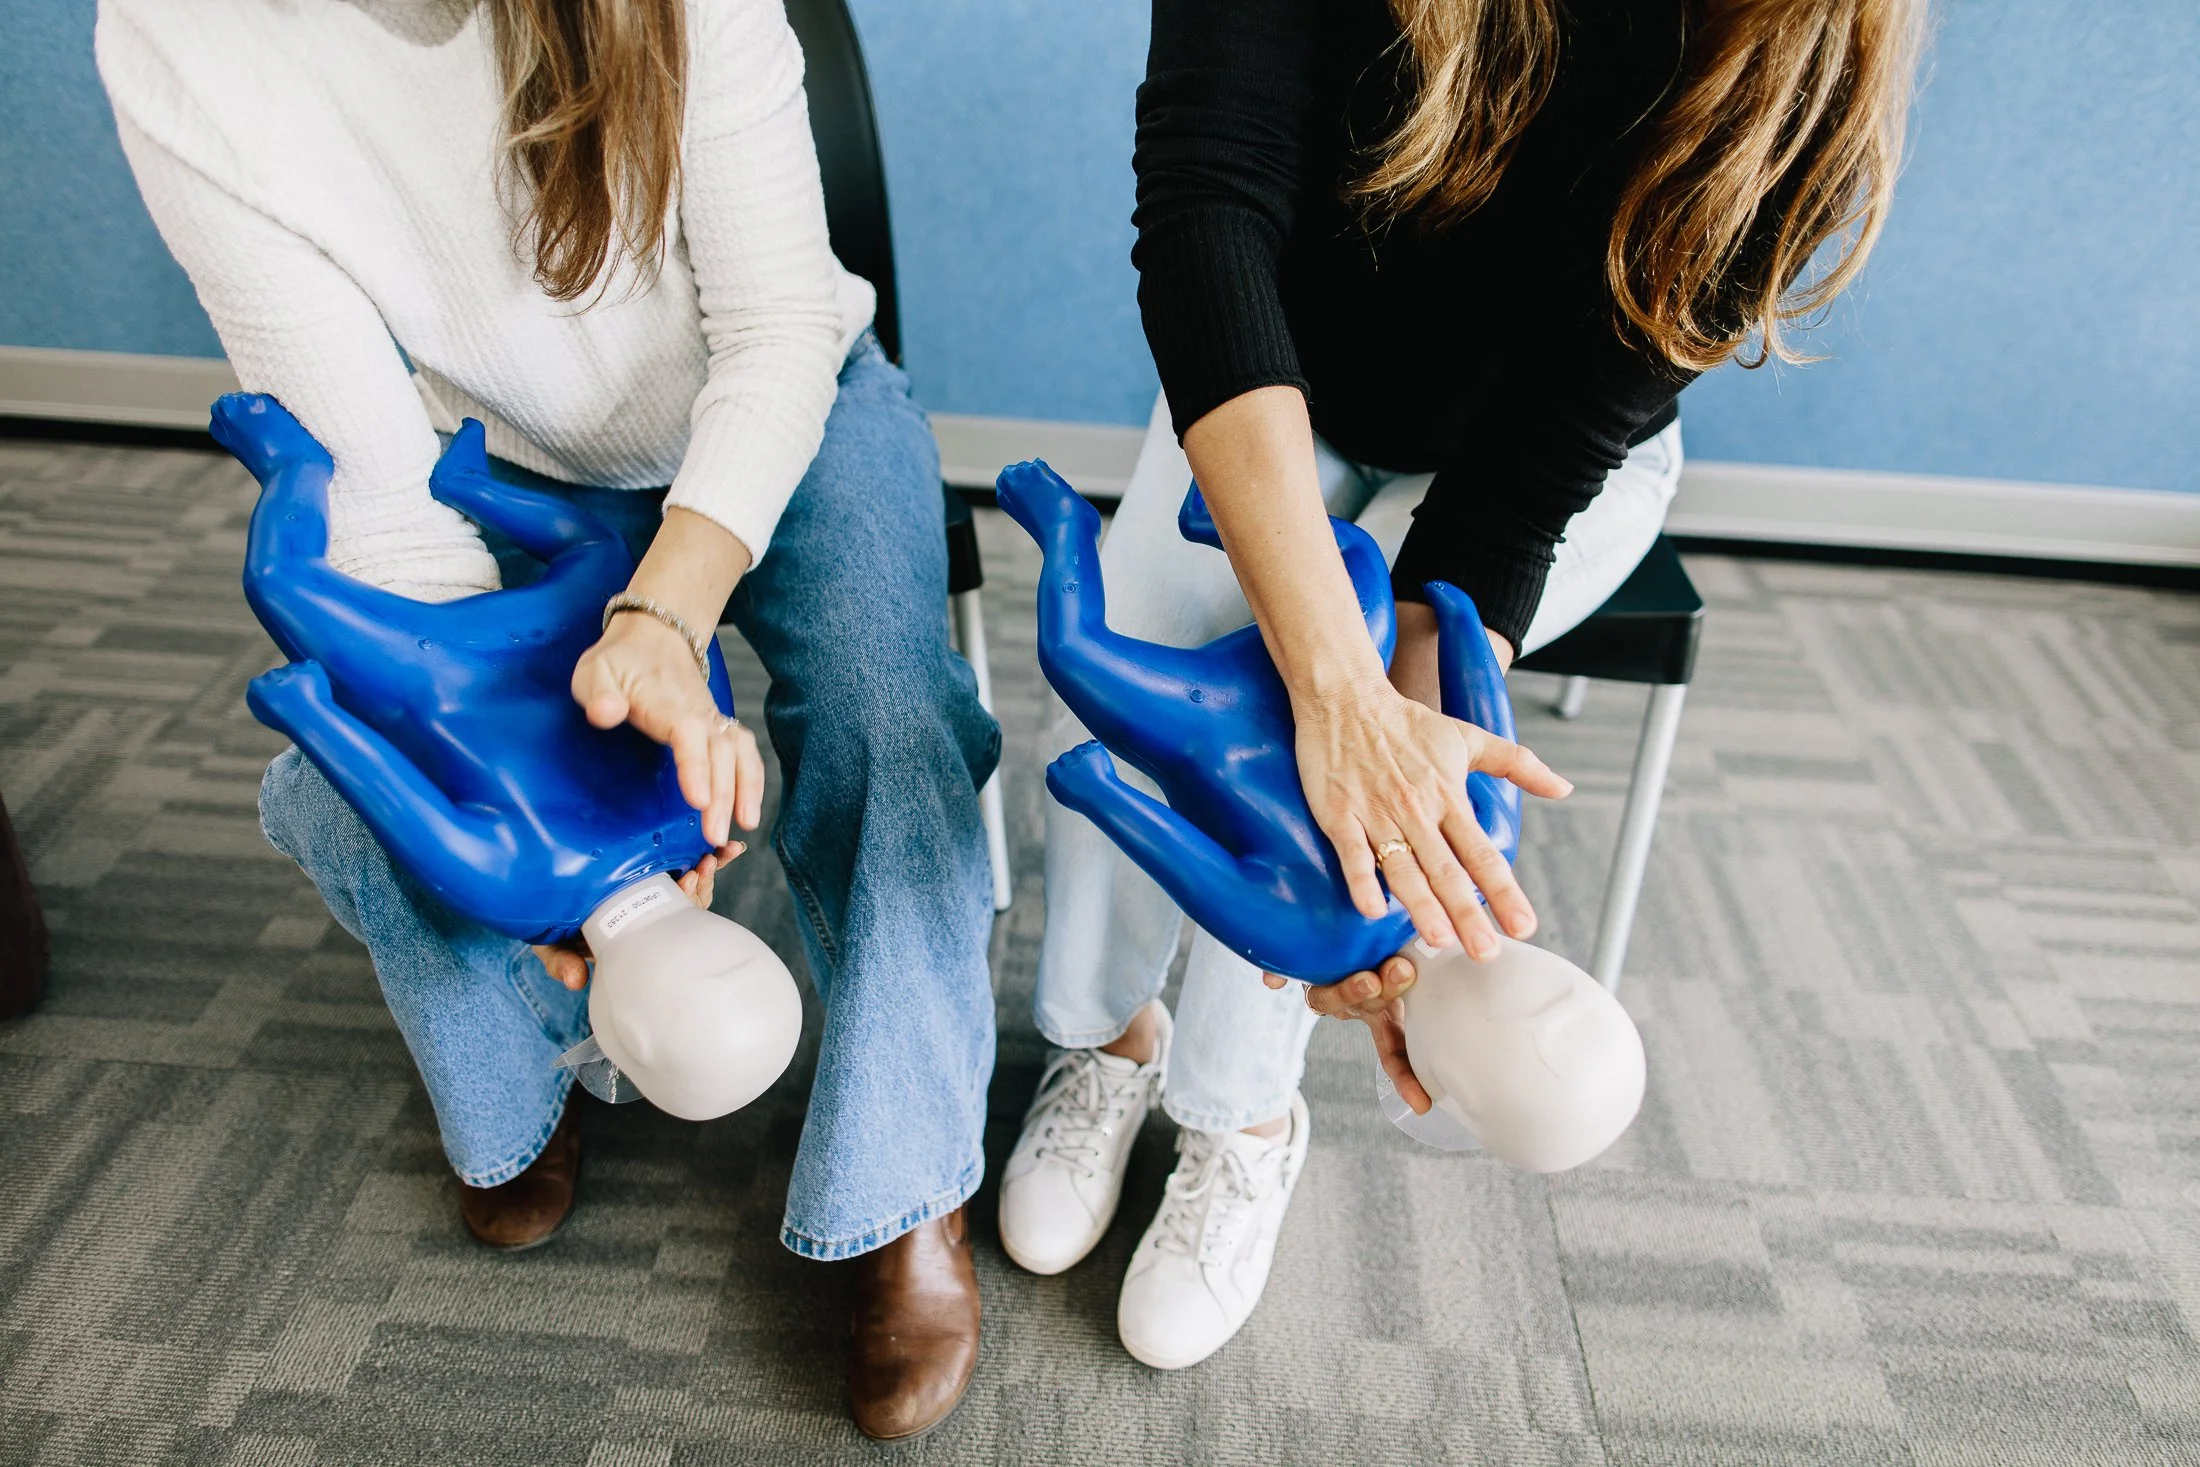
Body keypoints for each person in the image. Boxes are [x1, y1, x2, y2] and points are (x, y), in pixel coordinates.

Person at [97, 0, 998, 1439]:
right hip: (490, 476)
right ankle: (528, 1085)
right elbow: (375, 488)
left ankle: (905, 1186)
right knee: (367, 785)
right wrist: (542, 797)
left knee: (896, 722)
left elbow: (774, 329)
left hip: (782, 405)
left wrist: (667, 614)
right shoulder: (175, 34)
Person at [1000, 0, 1924, 1369]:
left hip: (1530, 470)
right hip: (1280, 378)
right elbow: (1207, 206)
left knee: (1350, 795)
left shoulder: (1807, 51)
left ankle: (1240, 1115)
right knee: (1151, 631)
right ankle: (1111, 1037)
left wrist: (1394, 812)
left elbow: (1516, 500)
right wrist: (1325, 683)